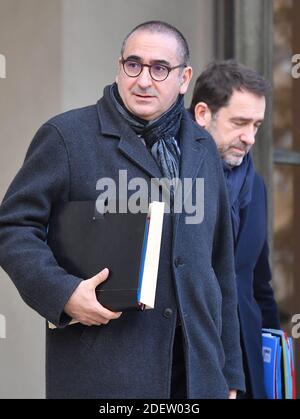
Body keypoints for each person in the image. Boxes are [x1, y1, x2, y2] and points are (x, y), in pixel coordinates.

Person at [0, 22, 245, 399]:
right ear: (119, 67)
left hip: (198, 377)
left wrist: (229, 376)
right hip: (107, 372)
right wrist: (64, 294)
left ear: (184, 78)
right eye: (134, 65)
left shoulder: (202, 148)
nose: (144, 80)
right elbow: (12, 228)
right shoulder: (67, 137)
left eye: (159, 68)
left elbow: (221, 266)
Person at [190, 60, 280, 399]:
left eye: (257, 125)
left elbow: (258, 284)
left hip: (247, 369)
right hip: (190, 372)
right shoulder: (164, 175)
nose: (250, 137)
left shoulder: (255, 187)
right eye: (240, 123)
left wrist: (272, 363)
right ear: (202, 114)